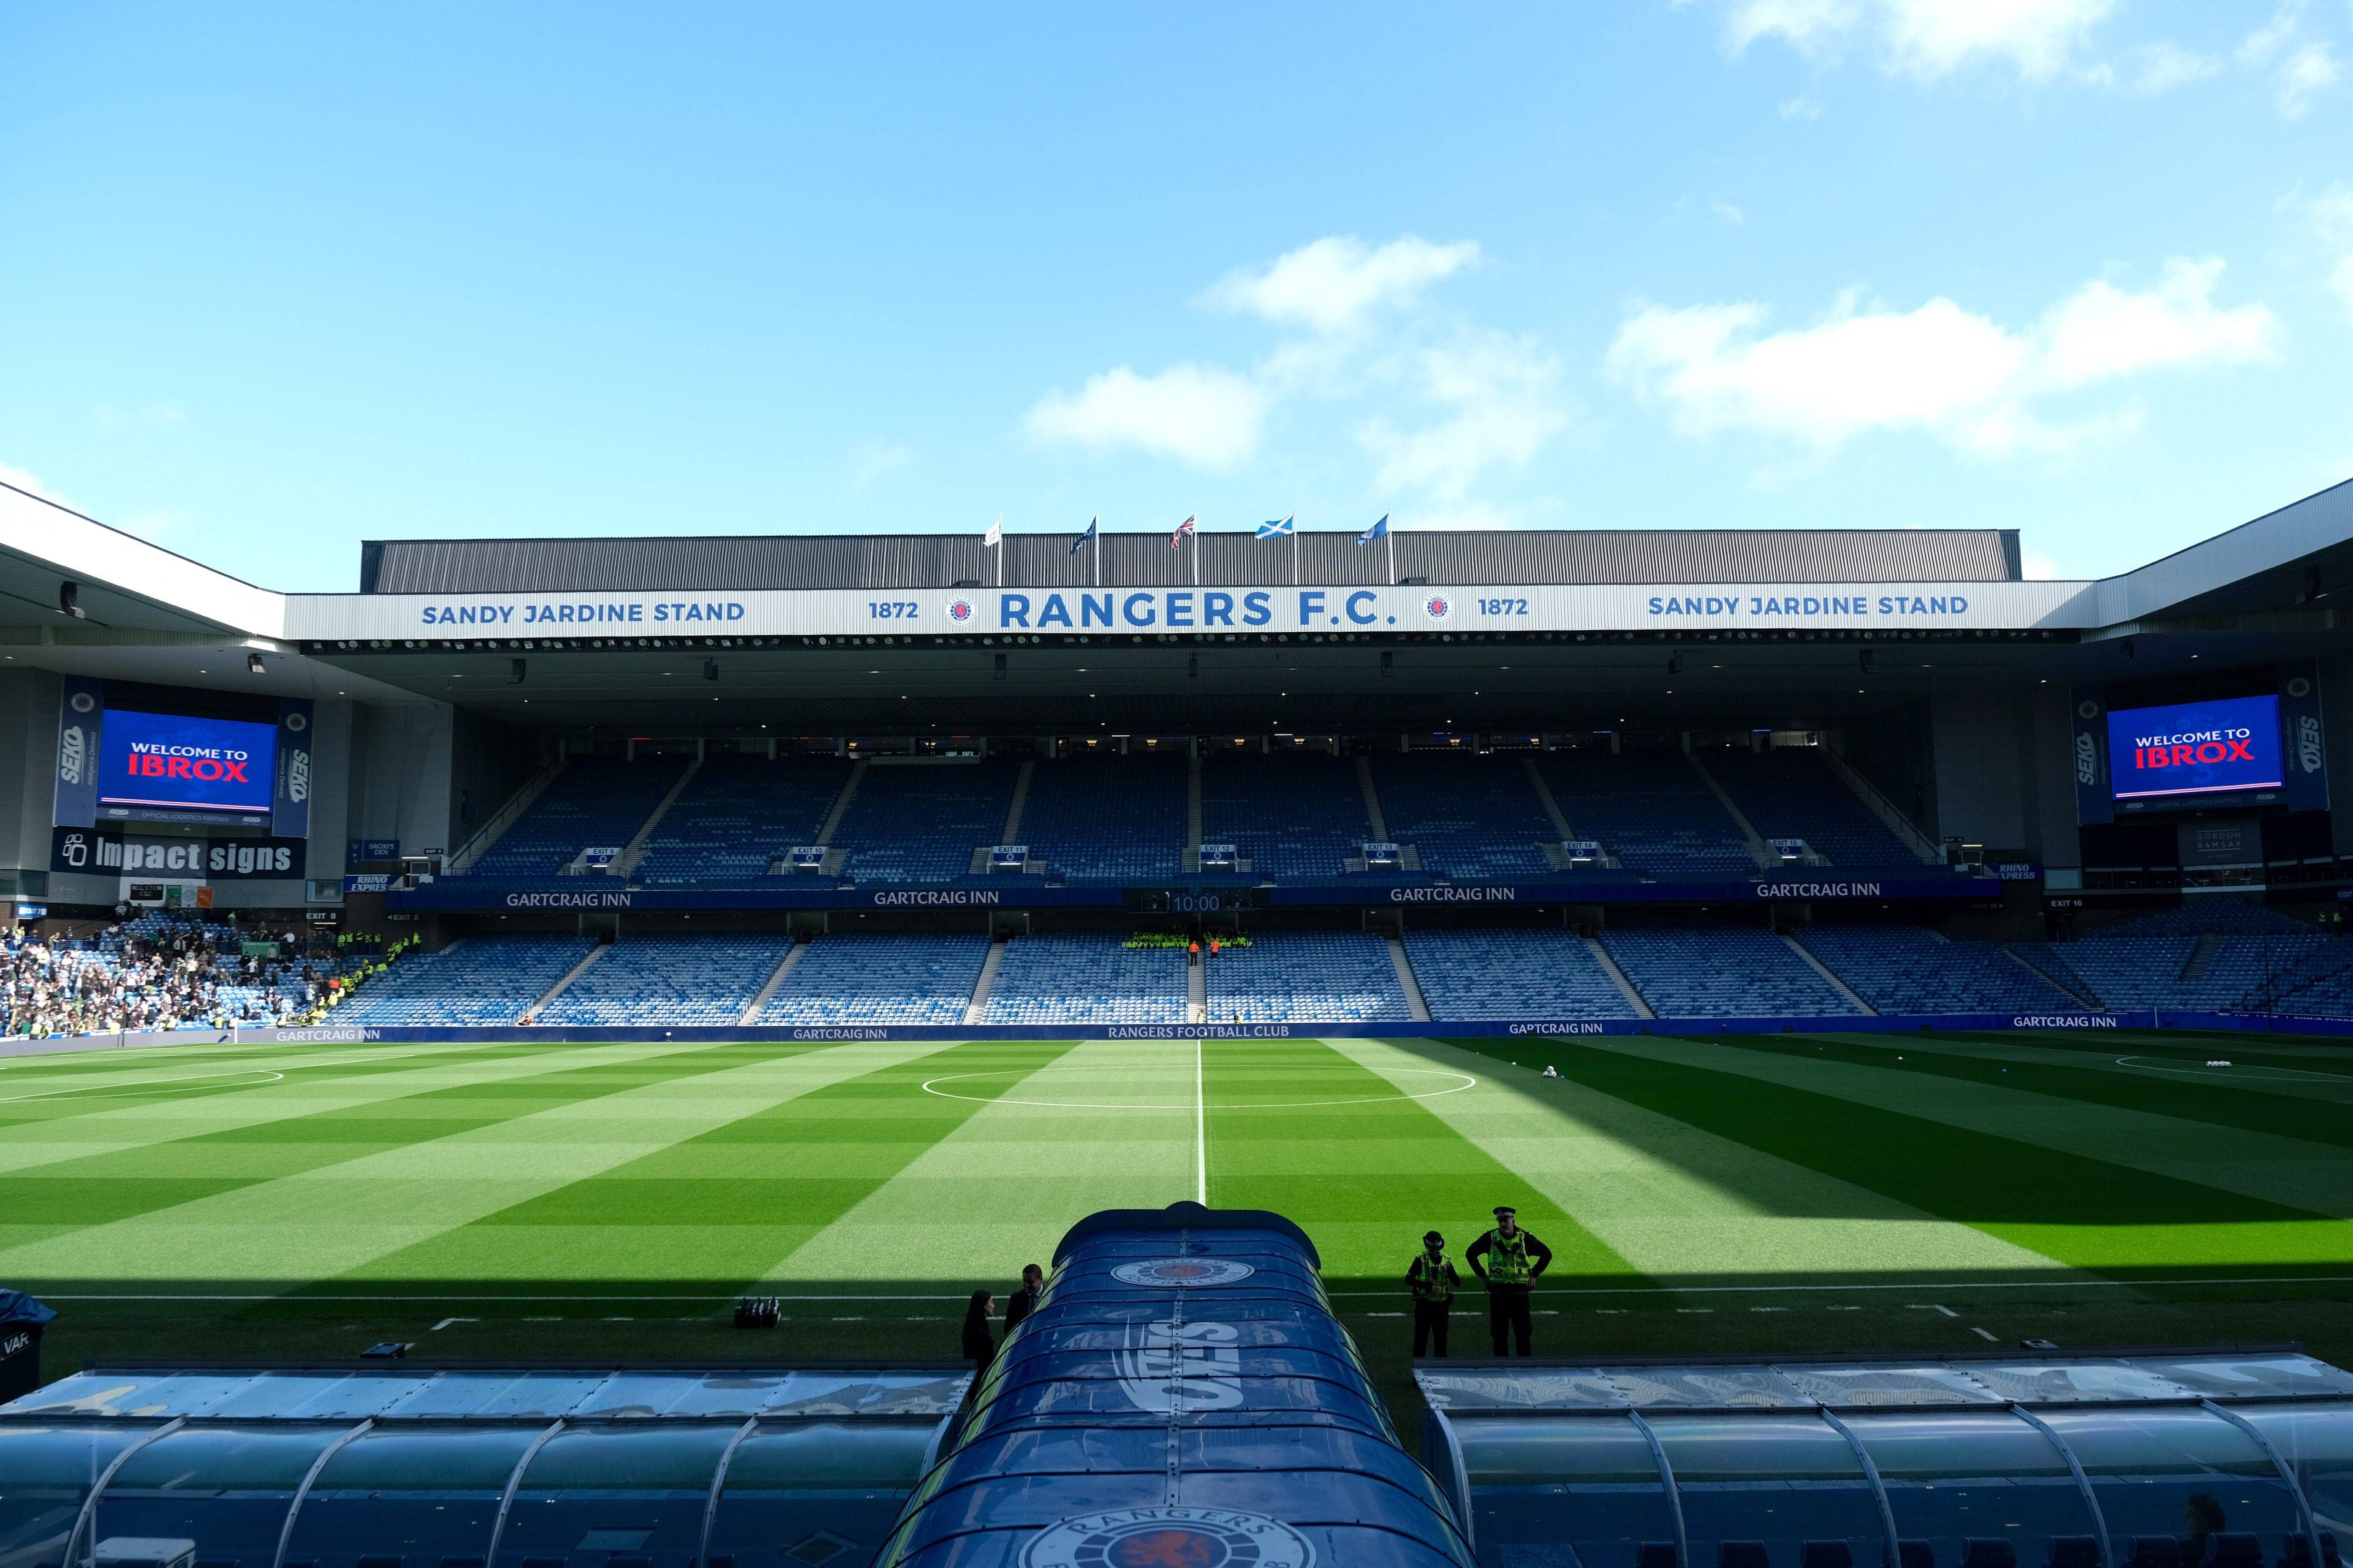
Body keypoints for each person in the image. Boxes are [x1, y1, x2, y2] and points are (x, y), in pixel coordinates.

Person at [1467, 1205, 1553, 1357]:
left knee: (1523, 1336)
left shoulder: (1524, 1238)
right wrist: (1484, 1277)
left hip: (1520, 1294)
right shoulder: (1490, 1238)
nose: (1503, 1224)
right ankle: (1501, 1371)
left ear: (1513, 1220)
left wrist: (1534, 1275)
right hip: (1498, 1293)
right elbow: (1470, 1254)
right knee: (1499, 1336)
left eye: (1506, 1220)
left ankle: (1525, 1371)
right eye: (1500, 1221)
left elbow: (1547, 1254)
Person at [1407, 1230, 1459, 1358]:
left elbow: (1457, 1282)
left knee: (1441, 1343)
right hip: (1425, 1305)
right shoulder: (1420, 1260)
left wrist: (1450, 1272)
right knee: (1421, 1341)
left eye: (1436, 1249)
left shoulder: (1446, 1261)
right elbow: (1408, 1279)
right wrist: (1427, 1286)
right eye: (1432, 1249)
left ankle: (1440, 1372)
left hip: (1442, 1307)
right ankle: (1418, 1372)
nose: (1434, 1251)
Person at [962, 1290, 997, 1376]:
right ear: (984, 1305)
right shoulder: (979, 1330)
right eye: (991, 1302)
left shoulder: (973, 1325)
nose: (994, 1306)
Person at [1004, 1264, 1044, 1334]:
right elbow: (1008, 1328)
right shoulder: (1015, 1299)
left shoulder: (1051, 1297)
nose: (1027, 1285)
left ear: (1040, 1279)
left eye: (1031, 1282)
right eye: (1024, 1281)